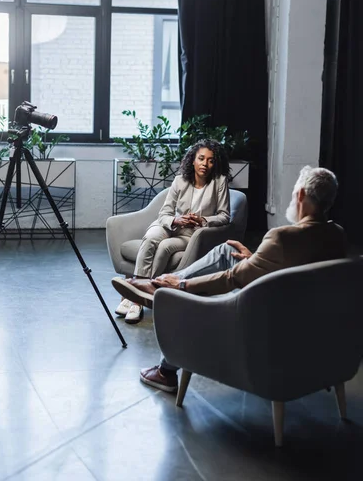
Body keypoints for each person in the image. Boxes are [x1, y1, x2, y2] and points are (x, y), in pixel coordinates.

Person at [111, 166, 347, 391]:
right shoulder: (336, 235)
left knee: (188, 301)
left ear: (302, 194)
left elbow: (232, 279)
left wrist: (182, 285)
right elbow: (297, 273)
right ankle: (161, 283)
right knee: (227, 250)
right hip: (303, 319)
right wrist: (255, 258)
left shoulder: (281, 237)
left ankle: (166, 369)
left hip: (265, 319)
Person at [114, 139, 231, 324]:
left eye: (210, 160)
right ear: (193, 160)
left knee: (165, 247)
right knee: (151, 238)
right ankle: (136, 296)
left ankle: (135, 298)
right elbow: (165, 213)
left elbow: (225, 216)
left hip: (191, 234)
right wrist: (175, 219)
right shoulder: (180, 181)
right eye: (201, 158)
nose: (205, 164)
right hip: (170, 225)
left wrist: (204, 220)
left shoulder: (219, 182)